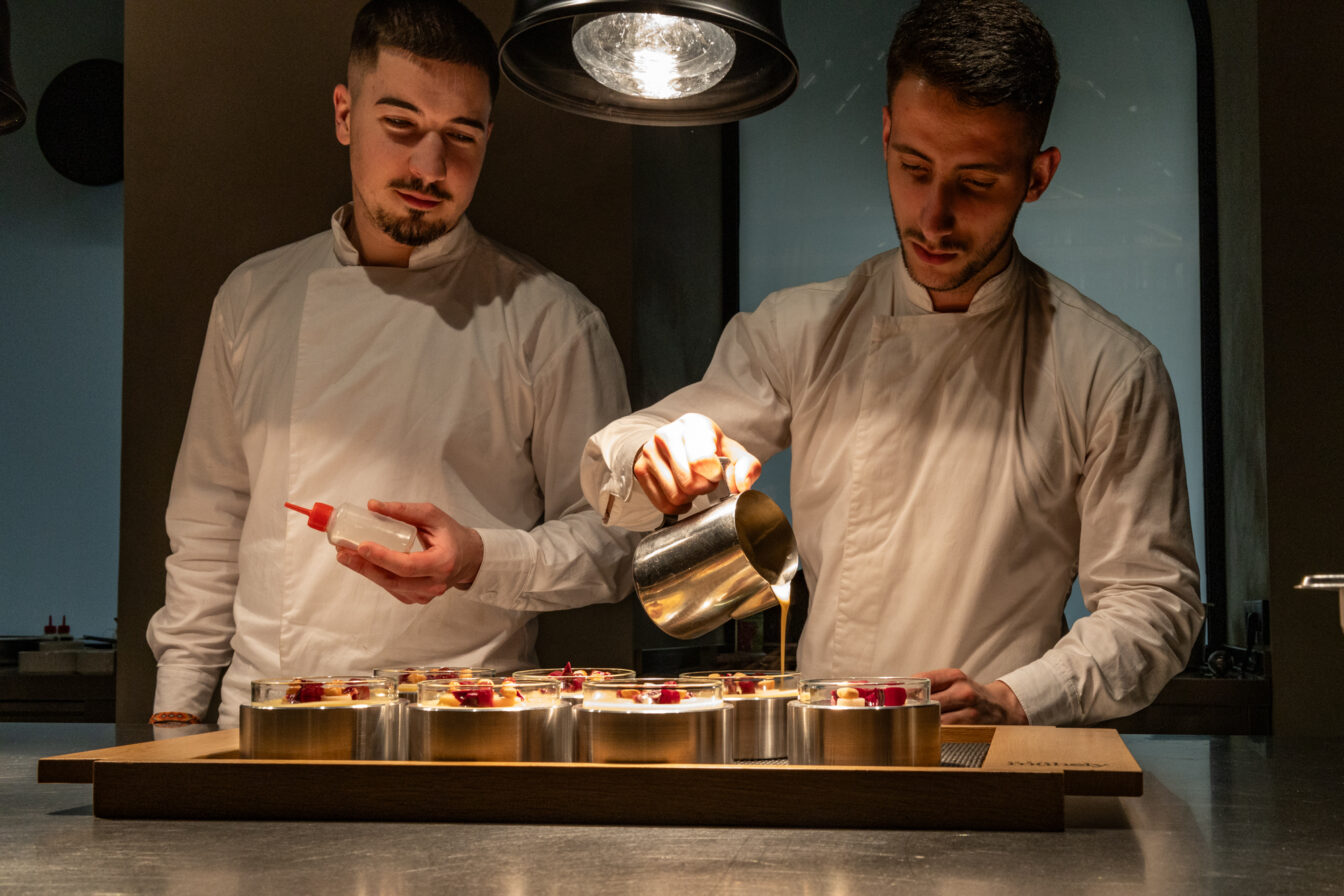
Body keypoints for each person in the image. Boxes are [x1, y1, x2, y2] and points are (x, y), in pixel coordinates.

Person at [582, 0, 1203, 727]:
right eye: (914, 167)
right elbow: (614, 470)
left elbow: (1152, 608)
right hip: (820, 750)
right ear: (884, 136)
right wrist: (658, 454)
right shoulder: (802, 329)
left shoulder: (1109, 370)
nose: (933, 217)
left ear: (1037, 176)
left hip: (991, 758)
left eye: (975, 183)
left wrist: (1017, 696)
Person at [147, 0, 638, 728]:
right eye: (401, 126)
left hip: (464, 730)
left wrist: (477, 559)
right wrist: (176, 712)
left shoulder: (550, 320)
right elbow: (209, 523)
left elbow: (613, 546)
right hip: (260, 728)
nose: (428, 166)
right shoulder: (253, 299)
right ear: (345, 115)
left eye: (461, 136)